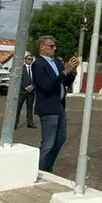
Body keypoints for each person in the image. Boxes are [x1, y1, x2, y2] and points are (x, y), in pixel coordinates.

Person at [31, 35, 79, 172]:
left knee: (61, 138)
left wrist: (72, 71)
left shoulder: (57, 62)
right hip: (48, 107)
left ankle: (47, 167)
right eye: (51, 46)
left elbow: (64, 83)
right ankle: (38, 169)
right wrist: (65, 71)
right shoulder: (38, 64)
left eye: (55, 46)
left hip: (60, 106)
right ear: (42, 47)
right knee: (48, 142)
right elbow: (47, 87)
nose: (54, 49)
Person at [15, 54, 36, 130]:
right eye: (28, 59)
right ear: (25, 60)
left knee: (30, 108)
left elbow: (36, 79)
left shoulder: (34, 69)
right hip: (22, 91)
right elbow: (19, 80)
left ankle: (30, 123)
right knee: (18, 108)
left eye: (31, 59)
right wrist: (25, 87)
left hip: (31, 92)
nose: (30, 60)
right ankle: (15, 124)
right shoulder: (21, 68)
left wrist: (33, 86)